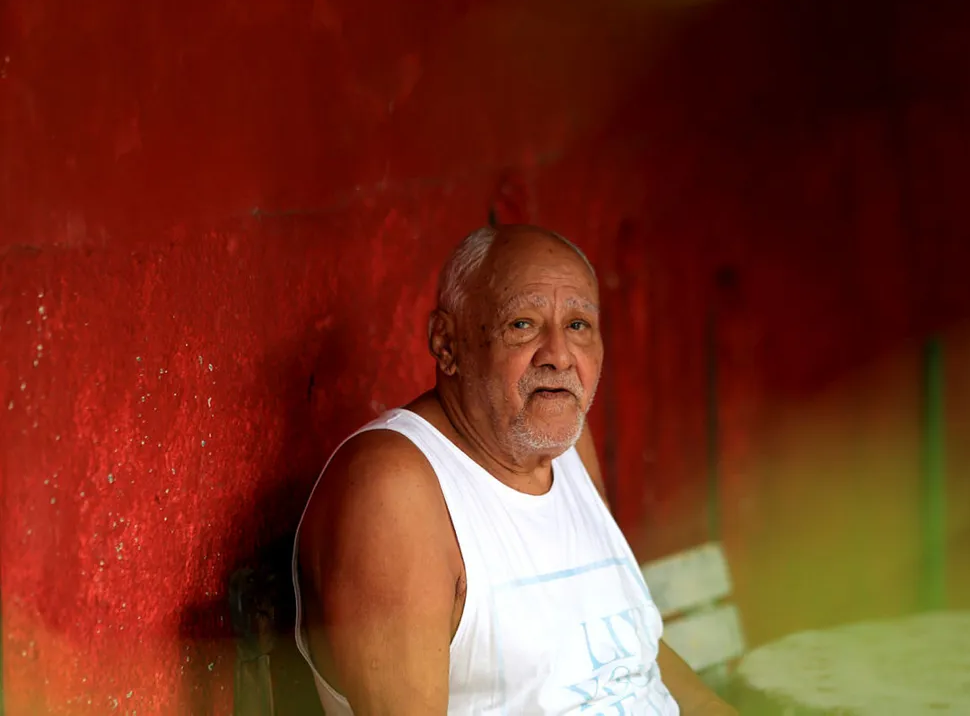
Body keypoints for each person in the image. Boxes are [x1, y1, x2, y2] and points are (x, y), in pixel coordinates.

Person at [292, 224, 738, 715]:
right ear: (446, 343)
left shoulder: (563, 445)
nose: (559, 355)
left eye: (578, 325)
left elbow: (632, 654)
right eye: (522, 324)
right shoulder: (395, 489)